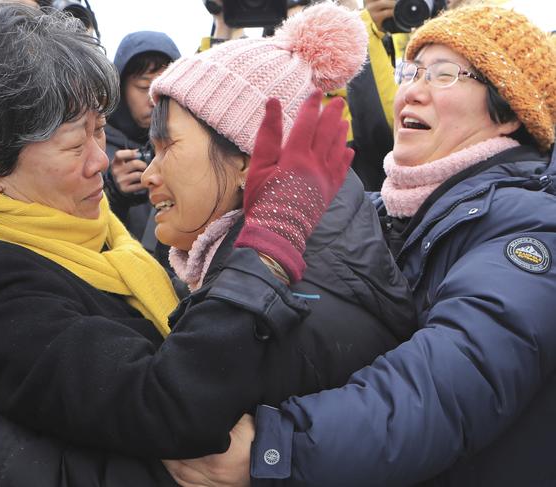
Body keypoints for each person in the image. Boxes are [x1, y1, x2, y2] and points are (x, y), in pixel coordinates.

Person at [0, 3, 416, 486]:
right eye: (73, 144)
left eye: (100, 131)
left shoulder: (87, 232)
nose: (101, 161)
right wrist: (266, 250)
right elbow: (170, 406)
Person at [162, 5, 556, 487]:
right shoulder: (383, 213)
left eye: (446, 74)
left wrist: (276, 447)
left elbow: (449, 386)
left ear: (510, 112)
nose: (412, 89)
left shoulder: (531, 228)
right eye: (412, 70)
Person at [103, 31, 180, 266]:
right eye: (144, 86)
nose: (153, 99)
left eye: (162, 88)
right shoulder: (95, 148)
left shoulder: (194, 145)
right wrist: (112, 192)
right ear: (119, 89)